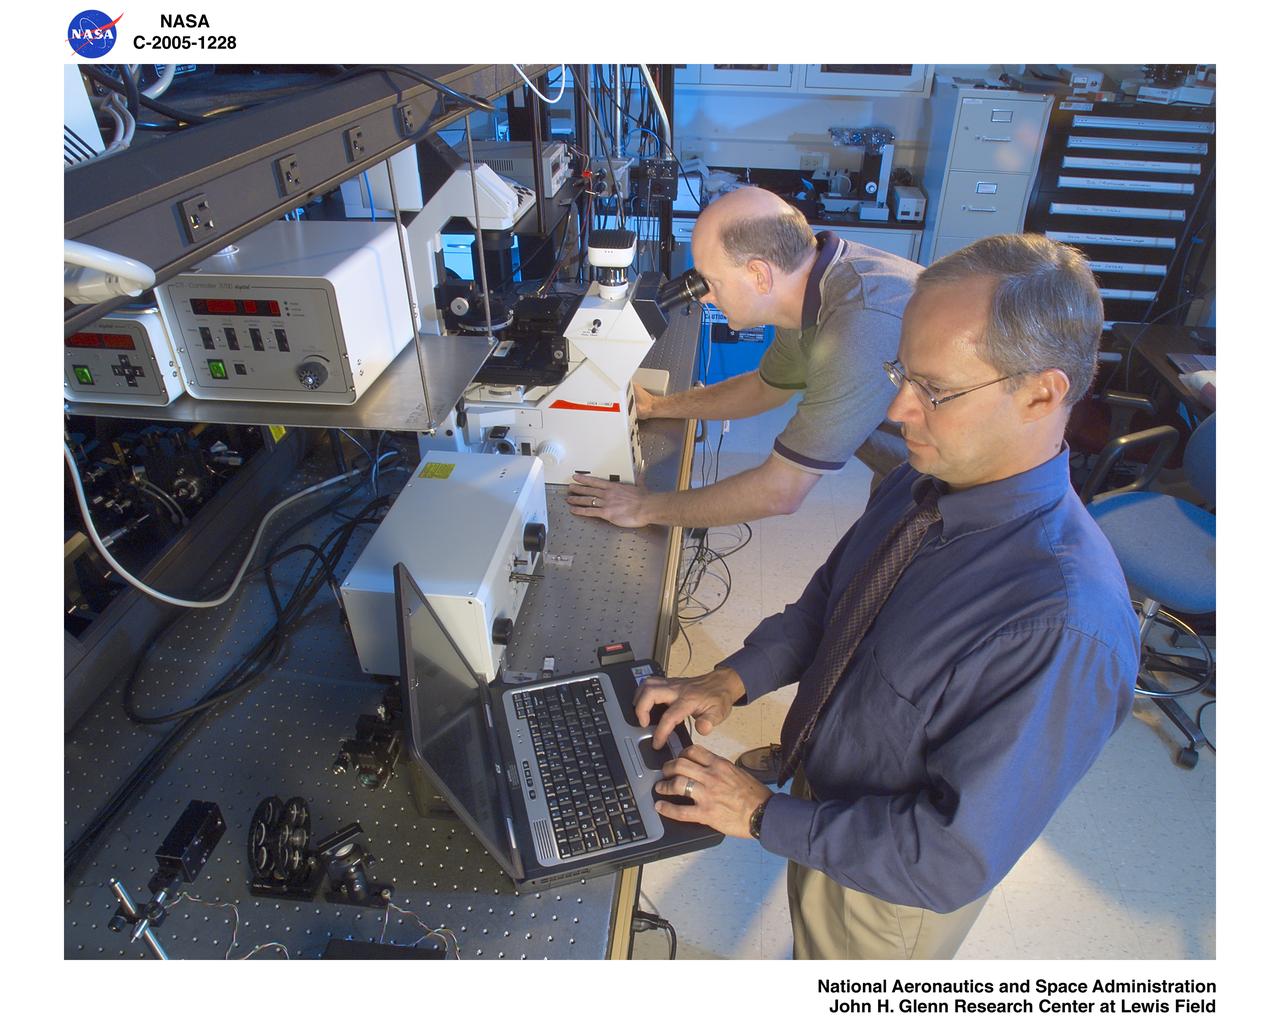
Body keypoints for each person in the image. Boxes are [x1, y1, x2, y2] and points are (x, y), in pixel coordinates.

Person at [633, 233, 1140, 960]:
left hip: (887, 892)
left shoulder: (1061, 625)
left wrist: (762, 817)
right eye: (901, 372)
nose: (899, 408)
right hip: (825, 808)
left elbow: (947, 857)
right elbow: (833, 604)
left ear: (1041, 392)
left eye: (935, 389)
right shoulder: (924, 481)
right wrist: (732, 679)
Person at [566, 186, 921, 528]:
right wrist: (656, 407)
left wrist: (644, 508)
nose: (704, 297)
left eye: (711, 282)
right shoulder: (813, 288)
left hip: (947, 492)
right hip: (906, 474)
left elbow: (781, 491)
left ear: (759, 275)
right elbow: (765, 389)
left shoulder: (857, 326)